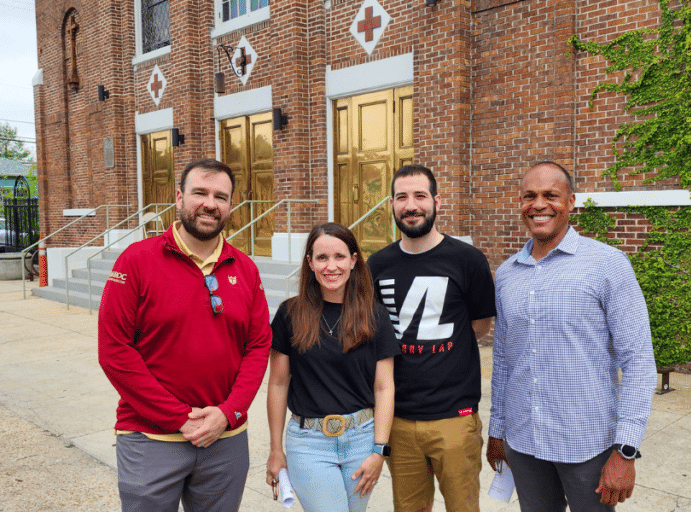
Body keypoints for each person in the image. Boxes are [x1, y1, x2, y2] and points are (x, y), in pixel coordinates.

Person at [98, 158, 272, 512]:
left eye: (220, 196)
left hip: (225, 440)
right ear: (179, 198)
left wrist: (228, 413)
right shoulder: (137, 260)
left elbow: (257, 347)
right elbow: (115, 350)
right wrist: (178, 417)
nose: (210, 203)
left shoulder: (246, 269)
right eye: (200, 193)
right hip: (150, 437)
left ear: (230, 206)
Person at [486, 161, 658, 511]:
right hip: (524, 442)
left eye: (551, 195)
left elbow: (639, 361)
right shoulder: (506, 274)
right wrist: (498, 429)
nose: (539, 204)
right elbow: (504, 358)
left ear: (571, 202)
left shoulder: (607, 265)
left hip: (587, 447)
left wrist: (625, 450)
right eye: (529, 196)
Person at [367, 164, 497, 512]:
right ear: (391, 205)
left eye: (420, 196)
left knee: (463, 507)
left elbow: (480, 323)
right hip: (397, 418)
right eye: (402, 197)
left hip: (454, 417)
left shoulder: (467, 260)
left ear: (436, 201)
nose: (411, 205)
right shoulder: (376, 266)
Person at [266, 222, 399, 512]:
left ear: (354, 260)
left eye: (339, 257)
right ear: (310, 262)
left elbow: (384, 386)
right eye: (322, 258)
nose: (331, 266)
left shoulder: (374, 315)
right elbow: (277, 383)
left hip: (362, 439)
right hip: (308, 443)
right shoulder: (289, 314)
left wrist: (380, 450)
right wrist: (276, 449)